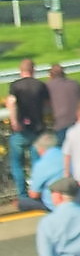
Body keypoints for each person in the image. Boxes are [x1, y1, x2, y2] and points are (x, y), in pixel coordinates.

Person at [6, 58, 49, 201]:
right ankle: (37, 192)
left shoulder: (15, 86)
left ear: (20, 71)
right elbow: (47, 104)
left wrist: (14, 121)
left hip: (20, 130)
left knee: (17, 164)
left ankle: (23, 195)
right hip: (37, 129)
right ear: (33, 70)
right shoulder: (40, 85)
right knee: (37, 164)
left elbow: (11, 103)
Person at [22, 131, 66, 211]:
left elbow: (34, 194)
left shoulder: (41, 165)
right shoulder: (66, 155)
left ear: (41, 149)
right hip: (75, 198)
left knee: (22, 202)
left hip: (54, 204)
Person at [46, 63, 80, 137]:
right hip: (77, 123)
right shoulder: (75, 84)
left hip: (61, 125)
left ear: (50, 75)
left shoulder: (48, 86)